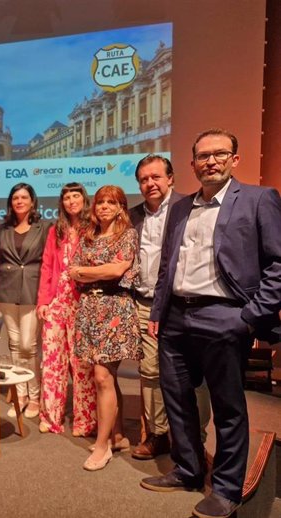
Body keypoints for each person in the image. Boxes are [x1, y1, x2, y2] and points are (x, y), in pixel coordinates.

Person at [141, 129, 281, 518]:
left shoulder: (257, 199)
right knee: (178, 401)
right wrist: (158, 313)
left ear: (235, 158)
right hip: (176, 317)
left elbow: (278, 264)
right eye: (203, 156)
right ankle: (187, 469)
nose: (211, 161)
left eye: (220, 154)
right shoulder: (181, 207)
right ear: (192, 164)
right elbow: (169, 265)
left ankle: (226, 488)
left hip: (226, 316)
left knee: (228, 407)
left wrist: (250, 318)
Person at [128, 155, 213, 460]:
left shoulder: (188, 209)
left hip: (180, 306)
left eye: (156, 177)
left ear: (171, 179)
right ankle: (158, 434)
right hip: (143, 303)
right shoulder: (132, 215)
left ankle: (195, 439)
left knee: (192, 375)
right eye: (143, 179)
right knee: (150, 372)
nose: (150, 183)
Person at [68, 185, 141, 471]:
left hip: (115, 310)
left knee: (101, 377)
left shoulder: (128, 235)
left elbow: (116, 271)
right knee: (106, 378)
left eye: (111, 202)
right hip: (89, 309)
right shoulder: (89, 236)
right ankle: (118, 435)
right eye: (100, 202)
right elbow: (73, 270)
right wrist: (90, 272)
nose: (104, 207)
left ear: (121, 207)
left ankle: (102, 447)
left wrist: (88, 272)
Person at [36, 182, 96, 435]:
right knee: (52, 362)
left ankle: (85, 422)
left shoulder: (93, 228)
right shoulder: (55, 231)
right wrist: (43, 301)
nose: (71, 201)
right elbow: (47, 267)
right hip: (57, 302)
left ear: (83, 199)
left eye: (75, 196)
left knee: (82, 364)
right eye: (67, 198)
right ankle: (51, 418)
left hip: (82, 303)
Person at [0, 183, 48, 419]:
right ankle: (19, 395)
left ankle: (35, 396)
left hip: (33, 292)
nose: (19, 201)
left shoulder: (44, 228)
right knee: (14, 346)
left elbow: (48, 264)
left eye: (24, 197)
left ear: (32, 201)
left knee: (28, 346)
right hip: (6, 292)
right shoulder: (3, 228)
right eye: (15, 198)